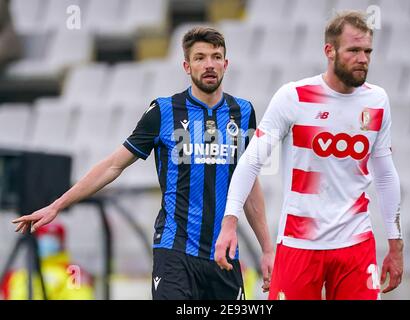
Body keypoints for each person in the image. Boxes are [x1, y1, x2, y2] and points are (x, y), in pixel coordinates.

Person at [11, 26, 274, 300]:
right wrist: (57, 205)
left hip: (224, 253)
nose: (209, 64)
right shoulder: (163, 111)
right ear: (187, 66)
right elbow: (114, 165)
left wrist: (267, 248)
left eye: (216, 57)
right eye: (200, 57)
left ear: (225, 63)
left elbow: (248, 180)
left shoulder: (243, 112)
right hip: (175, 252)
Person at [215, 11, 404, 300]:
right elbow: (251, 160)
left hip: (356, 244)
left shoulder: (377, 100)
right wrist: (230, 223)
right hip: (299, 243)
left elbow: (386, 174)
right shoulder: (295, 96)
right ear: (330, 50)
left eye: (367, 51)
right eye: (353, 50)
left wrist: (395, 244)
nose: (363, 59)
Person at [1, 221, 94, 300]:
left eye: (53, 238)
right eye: (43, 237)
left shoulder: (73, 271)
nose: (46, 242)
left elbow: (80, 296)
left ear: (61, 242)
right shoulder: (18, 274)